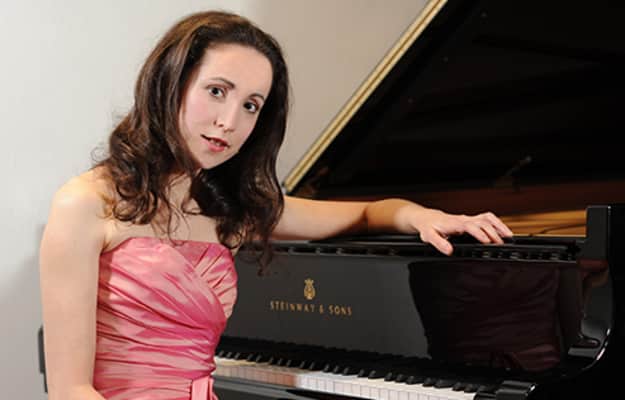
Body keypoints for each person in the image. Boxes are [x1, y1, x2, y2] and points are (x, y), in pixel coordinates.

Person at [39, 10, 513, 400]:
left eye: (251, 105)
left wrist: (420, 215)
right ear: (169, 83)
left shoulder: (233, 211)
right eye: (217, 91)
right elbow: (69, 390)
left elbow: (367, 213)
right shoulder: (84, 204)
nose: (229, 122)